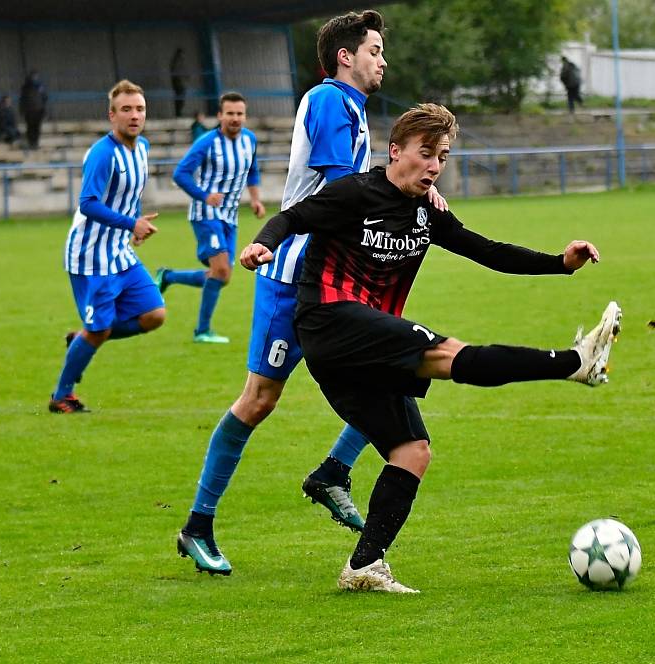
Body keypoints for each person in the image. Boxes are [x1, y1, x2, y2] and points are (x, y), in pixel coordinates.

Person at [240, 103, 621, 592]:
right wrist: (259, 244)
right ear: (395, 151)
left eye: (442, 156)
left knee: (412, 451)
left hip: (360, 350)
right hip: (330, 320)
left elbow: (488, 252)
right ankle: (574, 364)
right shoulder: (356, 193)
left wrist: (560, 263)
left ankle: (363, 567)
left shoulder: (427, 212)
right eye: (426, 154)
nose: (435, 166)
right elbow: (292, 218)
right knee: (447, 355)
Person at [175, 10, 441, 576]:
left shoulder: (352, 110)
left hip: (338, 279)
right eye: (373, 49)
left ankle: (332, 472)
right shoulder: (327, 101)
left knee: (399, 374)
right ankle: (197, 525)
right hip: (293, 274)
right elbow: (346, 189)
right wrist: (409, 187)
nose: (382, 59)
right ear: (346, 57)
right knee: (259, 400)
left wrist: (416, 188)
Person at [48, 80, 165, 414]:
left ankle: (83, 339)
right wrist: (131, 223)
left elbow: (122, 199)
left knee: (154, 314)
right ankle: (61, 395)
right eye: (126, 109)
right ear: (111, 115)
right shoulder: (102, 153)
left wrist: (134, 224)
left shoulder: (142, 148)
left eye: (139, 109)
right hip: (90, 257)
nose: (134, 115)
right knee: (99, 329)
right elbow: (87, 203)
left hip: (119, 251)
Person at [156, 92, 265, 344]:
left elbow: (253, 171)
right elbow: (180, 173)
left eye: (239, 113)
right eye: (230, 113)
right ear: (220, 116)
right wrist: (204, 196)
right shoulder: (207, 142)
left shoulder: (249, 140)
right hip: (206, 214)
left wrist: (256, 199)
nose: (235, 118)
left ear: (245, 116)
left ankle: (168, 276)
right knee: (221, 270)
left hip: (230, 217)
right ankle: (202, 331)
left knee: (222, 276)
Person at [19, 70, 48, 148]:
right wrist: (22, 110)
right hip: (29, 111)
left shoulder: (40, 87)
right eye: (33, 76)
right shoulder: (26, 87)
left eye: (36, 76)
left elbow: (45, 98)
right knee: (30, 127)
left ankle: (35, 143)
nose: (35, 78)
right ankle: (31, 143)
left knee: (36, 128)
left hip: (38, 111)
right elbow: (22, 99)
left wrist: (43, 110)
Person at [170, 48, 188, 118]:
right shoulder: (177, 62)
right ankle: (178, 113)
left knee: (180, 98)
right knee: (179, 98)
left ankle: (179, 113)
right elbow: (176, 72)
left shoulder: (179, 61)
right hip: (178, 83)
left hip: (180, 83)